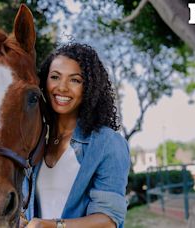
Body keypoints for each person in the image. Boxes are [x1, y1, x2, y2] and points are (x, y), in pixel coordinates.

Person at [21, 43, 130, 228]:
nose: (62, 87)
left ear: (89, 88)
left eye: (75, 80)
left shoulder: (107, 143)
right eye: (55, 77)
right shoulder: (36, 139)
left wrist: (53, 226)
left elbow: (109, 220)